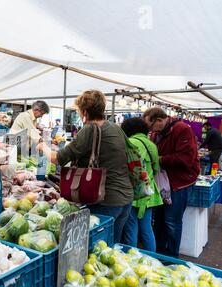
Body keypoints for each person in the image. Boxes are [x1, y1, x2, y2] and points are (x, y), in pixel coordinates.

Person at [37, 90, 133, 243]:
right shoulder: (115, 128)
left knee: (96, 247)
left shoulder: (89, 129)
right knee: (111, 247)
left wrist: (43, 147)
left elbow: (58, 159)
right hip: (125, 198)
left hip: (104, 199)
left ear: (85, 111)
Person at [143, 107, 200, 257]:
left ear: (160, 120)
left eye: (151, 126)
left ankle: (172, 256)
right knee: (160, 219)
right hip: (164, 182)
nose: (151, 130)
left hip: (179, 182)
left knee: (172, 221)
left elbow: (186, 158)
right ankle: (160, 252)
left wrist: (159, 159)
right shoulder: (157, 133)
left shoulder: (182, 129)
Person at [121, 118, 163, 252]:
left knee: (131, 228)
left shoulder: (130, 142)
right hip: (148, 192)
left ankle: (131, 259)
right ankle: (152, 259)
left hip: (133, 192)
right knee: (146, 229)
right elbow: (156, 168)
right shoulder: (151, 145)